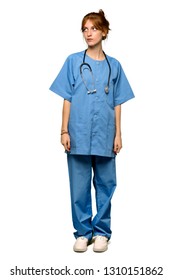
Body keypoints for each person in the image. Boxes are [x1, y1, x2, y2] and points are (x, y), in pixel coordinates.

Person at [49, 9, 135, 253]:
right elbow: (67, 97)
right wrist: (63, 131)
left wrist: (118, 134)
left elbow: (117, 102)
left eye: (93, 28)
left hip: (105, 133)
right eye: (85, 29)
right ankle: (83, 232)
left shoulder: (114, 65)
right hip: (77, 131)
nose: (88, 33)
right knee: (79, 184)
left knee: (107, 183)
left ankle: (102, 233)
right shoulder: (73, 61)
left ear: (104, 31)